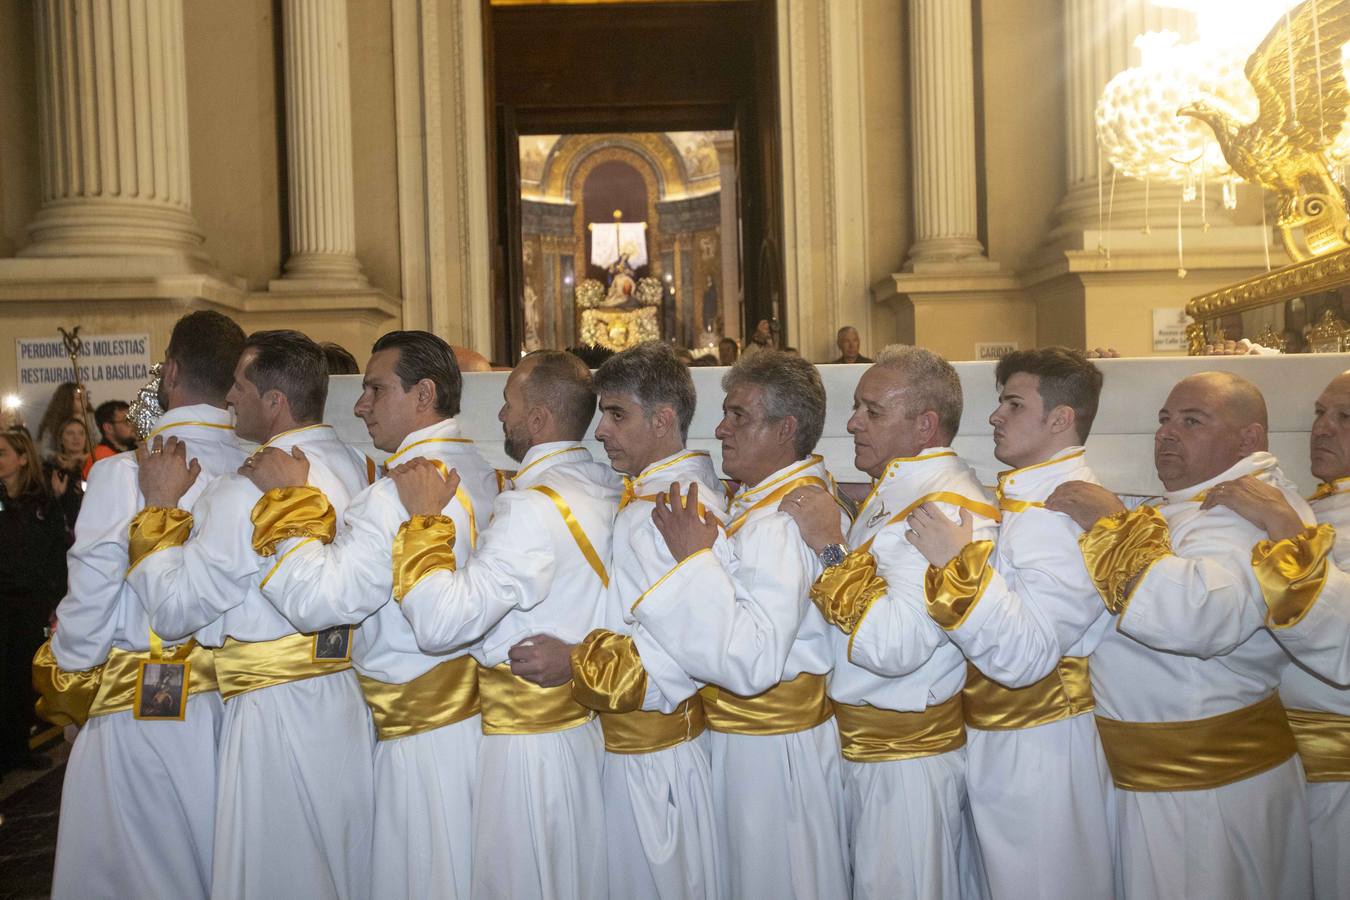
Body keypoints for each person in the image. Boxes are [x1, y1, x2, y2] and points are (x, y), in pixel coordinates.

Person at [239, 330, 498, 900]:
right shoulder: (480, 468)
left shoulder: (393, 495)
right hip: (476, 727)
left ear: (424, 393)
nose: (359, 406)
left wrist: (288, 503)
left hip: (420, 740)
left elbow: (317, 604)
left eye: (375, 390)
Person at [125, 329, 376, 900]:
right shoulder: (359, 467)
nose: (228, 397)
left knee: (276, 869)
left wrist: (159, 509)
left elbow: (174, 610)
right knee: (344, 858)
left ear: (274, 402)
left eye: (240, 385)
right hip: (344, 696)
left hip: (272, 710)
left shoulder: (249, 487)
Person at [1046, 371, 1315, 899]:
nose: (1167, 433)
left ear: (1249, 440)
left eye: (1192, 421)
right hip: (1162, 780)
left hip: (1209, 791)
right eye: (1164, 419)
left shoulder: (1249, 512)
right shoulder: (1196, 502)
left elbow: (1195, 617)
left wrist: (1115, 527)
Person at [387, 350, 619, 900]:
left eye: (509, 404)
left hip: (526, 746)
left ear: (538, 420)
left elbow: (440, 624)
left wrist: (423, 523)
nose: (499, 417)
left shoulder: (532, 506)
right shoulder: (601, 482)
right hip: (580, 732)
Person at [34, 309, 245, 900]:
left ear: (170, 371)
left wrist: (66, 683)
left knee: (135, 875)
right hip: (245, 708)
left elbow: (91, 600)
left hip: (144, 709)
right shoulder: (263, 470)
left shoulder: (124, 472)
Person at [781, 345, 1002, 900]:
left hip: (904, 765)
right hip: (870, 753)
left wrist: (831, 546)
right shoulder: (906, 486)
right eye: (857, 407)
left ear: (925, 425)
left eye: (872, 411)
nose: (852, 423)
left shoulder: (943, 509)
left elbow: (893, 645)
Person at [509, 342, 725, 898]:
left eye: (617, 414)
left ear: (664, 419)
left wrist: (574, 660)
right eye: (602, 413)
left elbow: (679, 658)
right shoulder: (654, 491)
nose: (599, 430)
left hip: (652, 762)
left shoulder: (669, 511)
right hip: (639, 751)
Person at [635, 351, 851, 900]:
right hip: (754, 745)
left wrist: (694, 560)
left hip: (773, 754)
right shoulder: (772, 499)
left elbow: (752, 662)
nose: (720, 428)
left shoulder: (784, 520)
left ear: (786, 429)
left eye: (739, 416)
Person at [903, 347, 1116, 900]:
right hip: (1002, 739)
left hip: (1041, 746)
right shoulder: (1031, 491)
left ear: (1061, 419)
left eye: (1013, 404)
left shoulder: (1065, 506)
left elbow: (1026, 655)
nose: (995, 416)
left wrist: (957, 564)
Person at [1202, 369, 1350, 899]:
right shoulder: (1325, 501)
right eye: (1318, 413)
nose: (1322, 429)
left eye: (1344, 417)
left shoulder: (1295, 512)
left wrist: (1287, 532)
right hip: (1284, 770)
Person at [0, 428, 67, 775]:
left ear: (22, 458)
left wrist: (55, 596)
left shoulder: (41, 502)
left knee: (21, 676)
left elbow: (57, 550)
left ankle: (17, 748)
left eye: (3, 453)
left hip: (29, 602)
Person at [45, 417, 87, 529]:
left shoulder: (95, 464)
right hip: (65, 529)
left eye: (81, 433)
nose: (76, 438)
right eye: (70, 433)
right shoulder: (52, 469)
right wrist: (56, 495)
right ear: (61, 439)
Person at [83, 400, 137, 478]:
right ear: (108, 428)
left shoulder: (135, 450)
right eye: (127, 421)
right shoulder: (100, 457)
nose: (133, 425)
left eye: (133, 419)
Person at [36, 382, 88, 458]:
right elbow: (44, 450)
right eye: (78, 399)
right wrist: (58, 458)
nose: (84, 402)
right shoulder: (54, 422)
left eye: (84, 398)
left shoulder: (91, 420)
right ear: (67, 400)